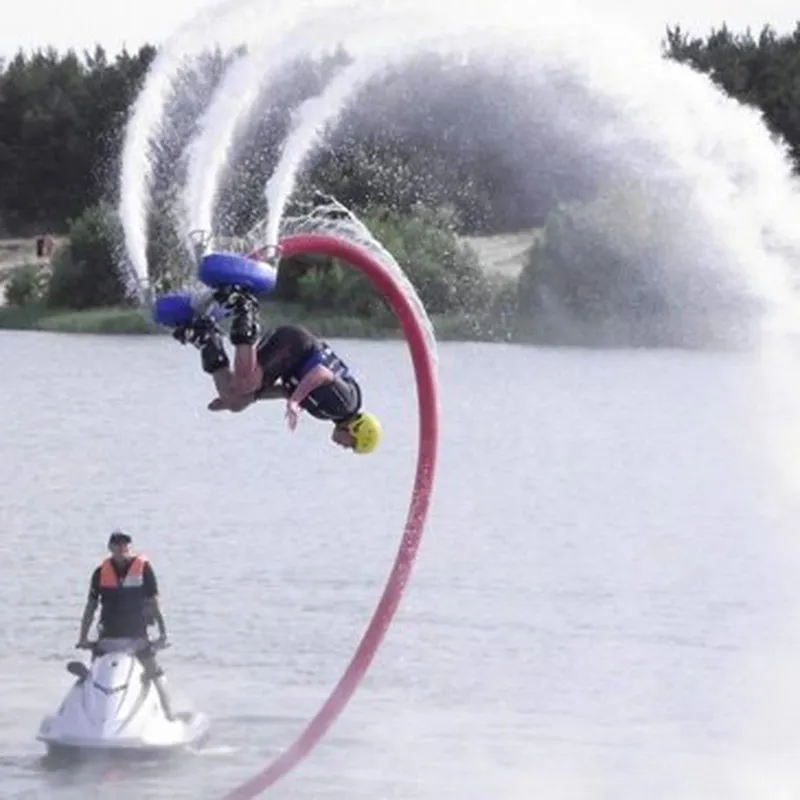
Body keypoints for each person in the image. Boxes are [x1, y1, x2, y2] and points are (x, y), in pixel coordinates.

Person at [172, 288, 383, 454]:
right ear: (356, 430)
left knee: (236, 401)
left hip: (289, 361)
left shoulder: (328, 413)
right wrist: (295, 402)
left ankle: (206, 337)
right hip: (295, 345)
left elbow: (285, 391)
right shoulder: (346, 404)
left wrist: (249, 398)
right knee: (246, 383)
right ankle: (245, 307)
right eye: (352, 444)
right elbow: (321, 373)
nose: (345, 447)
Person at [76, 531, 175, 720]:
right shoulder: (100, 573)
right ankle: (85, 716)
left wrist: (163, 634)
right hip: (107, 638)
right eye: (117, 545)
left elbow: (154, 602)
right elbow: (91, 606)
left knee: (153, 672)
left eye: (125, 545)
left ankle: (168, 715)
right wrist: (83, 638)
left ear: (130, 548)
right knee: (93, 674)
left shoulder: (143, 569)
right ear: (110, 548)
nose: (121, 549)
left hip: (137, 637)